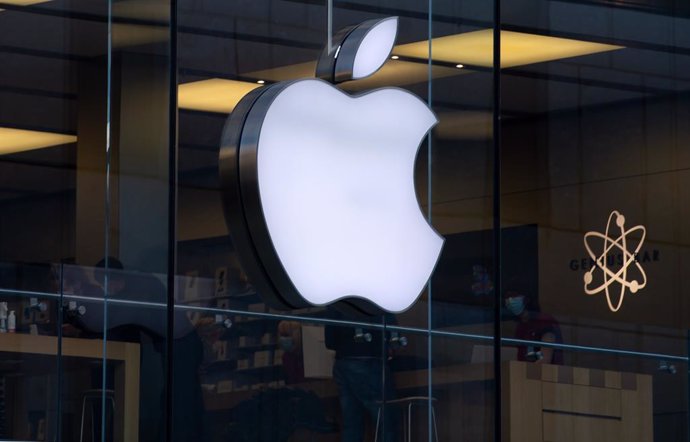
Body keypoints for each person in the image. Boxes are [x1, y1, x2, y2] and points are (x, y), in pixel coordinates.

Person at [324, 311, 397, 442]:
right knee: (384, 421)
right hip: (369, 360)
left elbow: (329, 342)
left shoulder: (336, 300)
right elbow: (392, 331)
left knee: (351, 422)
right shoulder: (376, 295)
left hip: (343, 362)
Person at [504, 290, 563, 364]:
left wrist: (529, 362)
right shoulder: (521, 327)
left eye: (514, 296)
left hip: (548, 372)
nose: (510, 300)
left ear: (526, 299)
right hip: (526, 371)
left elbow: (545, 357)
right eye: (508, 297)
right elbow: (522, 356)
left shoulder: (544, 321)